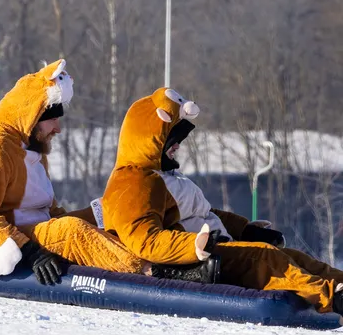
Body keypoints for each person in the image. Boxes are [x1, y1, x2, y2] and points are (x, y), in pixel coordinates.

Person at [101, 87, 343, 313]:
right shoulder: (134, 183)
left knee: (295, 257)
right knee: (264, 258)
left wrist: (245, 229)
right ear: (152, 142)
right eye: (173, 143)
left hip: (215, 245)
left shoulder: (165, 175)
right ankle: (332, 299)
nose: (178, 148)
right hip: (195, 260)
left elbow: (203, 212)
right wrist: (194, 246)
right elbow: (145, 240)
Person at [0, 59, 159, 285]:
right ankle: (149, 271)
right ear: (32, 116)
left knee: (110, 215)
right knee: (71, 232)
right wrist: (30, 252)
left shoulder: (33, 149)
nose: (58, 129)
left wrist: (101, 214)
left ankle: (165, 256)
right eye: (53, 119)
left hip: (28, 234)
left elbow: (50, 215)